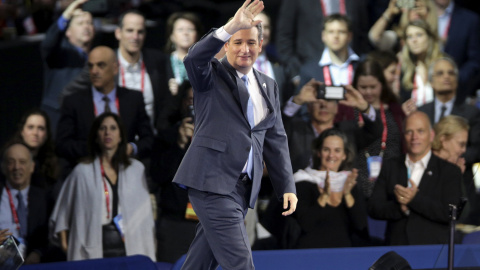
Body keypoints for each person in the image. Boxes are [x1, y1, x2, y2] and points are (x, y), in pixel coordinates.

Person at [172, 1, 298, 269]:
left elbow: (275, 138)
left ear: (260, 46)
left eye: (251, 42)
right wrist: (231, 26)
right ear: (226, 45)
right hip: (212, 182)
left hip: (241, 188)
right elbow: (193, 58)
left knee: (200, 262)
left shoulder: (269, 84)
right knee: (240, 262)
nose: (245, 49)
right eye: (237, 42)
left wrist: (286, 185)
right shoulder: (211, 75)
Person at [49, 112, 156, 261]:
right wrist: (70, 251)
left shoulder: (136, 170)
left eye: (113, 128)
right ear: (96, 137)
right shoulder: (82, 172)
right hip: (92, 250)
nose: (108, 132)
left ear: (121, 137)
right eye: (102, 128)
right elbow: (62, 217)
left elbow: (146, 218)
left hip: (130, 247)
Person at [63, 10, 173, 133]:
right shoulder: (103, 61)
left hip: (148, 142)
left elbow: (166, 103)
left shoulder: (157, 60)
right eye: (130, 31)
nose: (135, 37)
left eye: (140, 32)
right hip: (112, 143)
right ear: (118, 33)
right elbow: (68, 95)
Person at [368, 111, 462, 245]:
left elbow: (450, 213)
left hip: (433, 251)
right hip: (397, 249)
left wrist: (414, 200)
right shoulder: (391, 166)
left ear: (431, 135)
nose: (414, 137)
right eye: (409, 132)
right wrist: (399, 208)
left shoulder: (449, 171)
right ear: (403, 136)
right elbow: (374, 208)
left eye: (420, 131)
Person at [56, 46, 154, 167]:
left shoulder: (133, 99)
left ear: (114, 68)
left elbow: (149, 140)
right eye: (91, 66)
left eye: (100, 65)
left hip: (125, 168)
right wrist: (97, 149)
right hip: (87, 170)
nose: (94, 71)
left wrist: (131, 148)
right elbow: (62, 144)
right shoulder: (73, 101)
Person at [336, 59, 405, 198]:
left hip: (390, 182)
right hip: (356, 183)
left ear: (382, 85)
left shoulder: (395, 110)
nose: (368, 92)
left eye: (373, 87)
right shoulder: (346, 110)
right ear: (356, 85)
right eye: (363, 87)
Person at [292, 128, 367, 248]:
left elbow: (361, 226)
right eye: (326, 150)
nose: (331, 155)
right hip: (310, 255)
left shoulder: (349, 182)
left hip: (344, 255)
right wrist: (324, 196)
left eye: (337, 150)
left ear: (344, 155)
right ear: (319, 152)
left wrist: (347, 194)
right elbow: (305, 224)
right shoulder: (302, 181)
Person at [276, 0, 370, 81]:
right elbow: (284, 37)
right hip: (311, 72)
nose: (336, 35)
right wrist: (296, 74)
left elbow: (362, 34)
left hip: (350, 70)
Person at [40, 0, 94, 132]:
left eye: (89, 23)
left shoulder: (96, 57)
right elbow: (47, 44)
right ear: (68, 32)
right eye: (80, 23)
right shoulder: (59, 52)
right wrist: (66, 14)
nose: (86, 27)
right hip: (58, 120)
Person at [417, 57, 480, 165]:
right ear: (431, 81)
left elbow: (476, 150)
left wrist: (449, 158)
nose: (446, 76)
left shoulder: (472, 113)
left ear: (456, 80)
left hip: (459, 175)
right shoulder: (421, 112)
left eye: (451, 73)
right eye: (440, 73)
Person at [0, 143, 51, 264]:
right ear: (3, 167)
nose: (16, 167)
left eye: (22, 162)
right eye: (11, 162)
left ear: (32, 166)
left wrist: (39, 252)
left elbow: (51, 237)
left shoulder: (45, 198)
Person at [297, 14, 360, 90]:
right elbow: (300, 100)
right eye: (331, 32)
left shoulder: (362, 65)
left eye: (341, 32)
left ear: (350, 36)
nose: (336, 36)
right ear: (323, 36)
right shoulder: (309, 70)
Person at [433, 0, 480, 102]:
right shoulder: (420, 15)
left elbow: (475, 59)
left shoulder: (470, 19)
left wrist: (454, 78)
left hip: (458, 94)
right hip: (423, 91)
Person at [6, 109, 59, 189]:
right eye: (30, 127)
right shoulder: (7, 159)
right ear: (22, 131)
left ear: (46, 134)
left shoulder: (50, 166)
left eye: (41, 128)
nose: (35, 133)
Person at [399, 19, 443, 109]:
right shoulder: (406, 70)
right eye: (409, 37)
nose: (414, 40)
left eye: (419, 35)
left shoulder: (443, 65)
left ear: (429, 37)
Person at [368, 0, 437, 51]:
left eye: (419, 7)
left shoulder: (434, 39)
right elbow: (374, 37)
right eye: (413, 7)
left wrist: (426, 17)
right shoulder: (398, 37)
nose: (416, 11)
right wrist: (389, 12)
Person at [164, 12, 203, 98]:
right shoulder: (162, 62)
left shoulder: (206, 61)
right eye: (180, 29)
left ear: (196, 35)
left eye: (190, 29)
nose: (185, 33)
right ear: (172, 36)